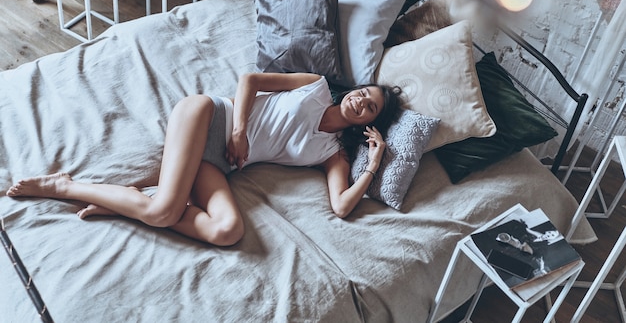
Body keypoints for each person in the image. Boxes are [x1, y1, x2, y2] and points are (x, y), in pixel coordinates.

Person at [7, 73, 402, 246]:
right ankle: (65, 185)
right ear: (353, 87)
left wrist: (373, 162)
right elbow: (251, 80)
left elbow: (341, 207)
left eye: (370, 108)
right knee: (164, 211)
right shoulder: (314, 86)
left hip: (220, 165)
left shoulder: (332, 155)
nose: (360, 100)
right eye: (363, 91)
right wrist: (239, 129)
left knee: (228, 231)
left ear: (368, 122)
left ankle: (129, 204)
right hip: (208, 117)